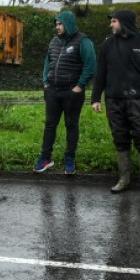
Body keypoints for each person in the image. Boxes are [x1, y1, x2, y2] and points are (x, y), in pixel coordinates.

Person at [90, 9, 140, 195]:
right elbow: (101, 73)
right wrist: (96, 98)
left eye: (114, 21)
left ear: (124, 22)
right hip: (114, 101)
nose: (111, 25)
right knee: (120, 139)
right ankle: (124, 179)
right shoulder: (108, 45)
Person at [34, 11, 97, 175]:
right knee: (49, 125)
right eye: (56, 24)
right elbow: (47, 62)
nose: (57, 27)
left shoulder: (83, 41)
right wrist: (46, 82)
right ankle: (45, 158)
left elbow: (90, 65)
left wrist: (79, 86)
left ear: (68, 24)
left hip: (72, 92)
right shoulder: (54, 41)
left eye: (60, 24)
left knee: (71, 125)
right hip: (53, 91)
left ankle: (70, 160)